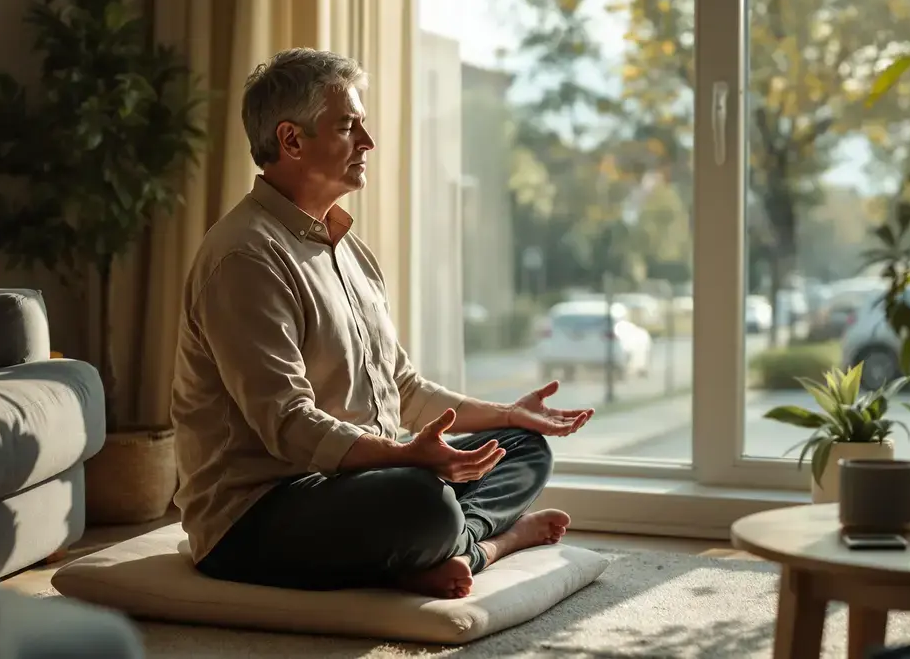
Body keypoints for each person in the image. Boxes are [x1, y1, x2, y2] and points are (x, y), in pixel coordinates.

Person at [169, 47, 594, 599]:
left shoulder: (352, 253)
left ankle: (436, 547)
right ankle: (491, 545)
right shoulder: (244, 258)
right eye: (349, 127)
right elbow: (289, 424)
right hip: (257, 515)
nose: (367, 143)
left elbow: (405, 387)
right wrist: (407, 458)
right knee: (421, 500)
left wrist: (510, 414)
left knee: (523, 448)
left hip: (356, 485)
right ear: (292, 140)